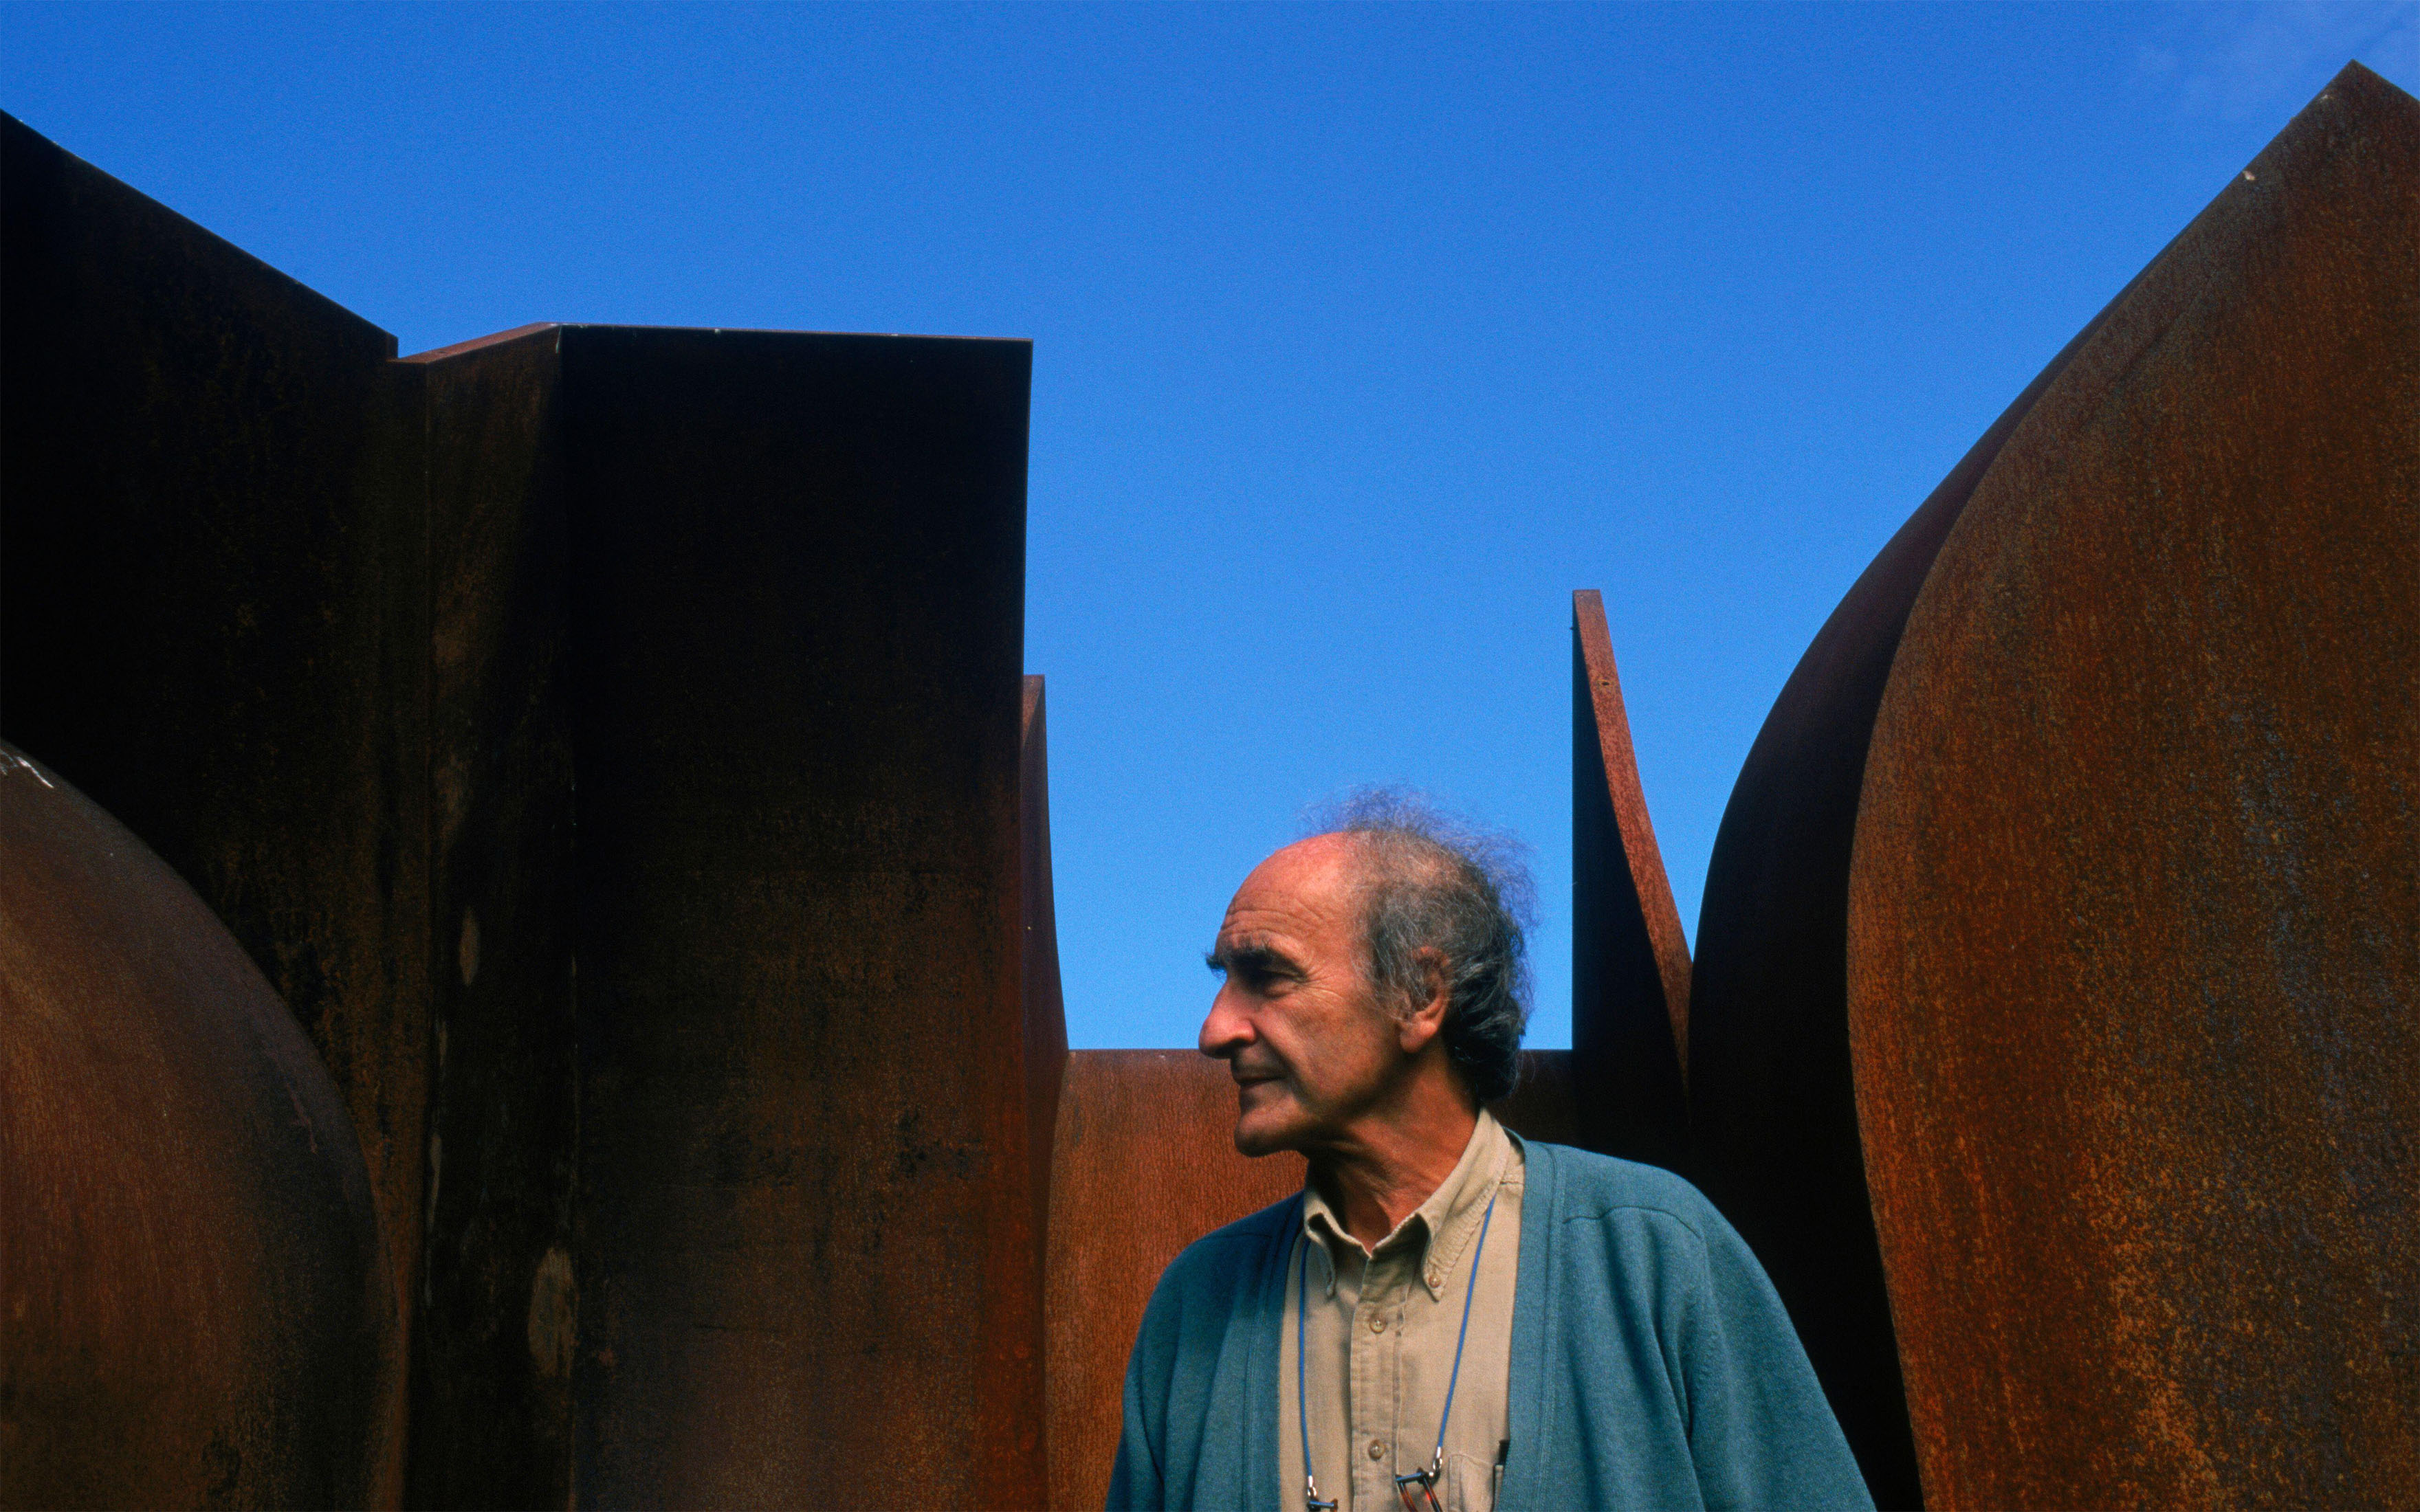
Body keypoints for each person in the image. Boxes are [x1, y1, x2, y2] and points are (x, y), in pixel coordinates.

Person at [1107, 794, 1874, 1512]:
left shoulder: (1652, 1251)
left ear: (1420, 994)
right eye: (1223, 981)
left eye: (1265, 975)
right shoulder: (1195, 1304)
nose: (1214, 1030)